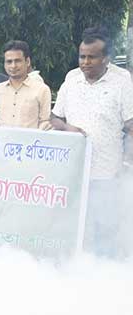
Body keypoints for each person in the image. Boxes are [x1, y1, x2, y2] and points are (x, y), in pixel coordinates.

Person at [51, 26, 133, 258]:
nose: (85, 62)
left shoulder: (122, 81)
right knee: (73, 225)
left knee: (103, 228)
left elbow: (131, 125)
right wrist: (69, 128)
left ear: (106, 59)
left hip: (107, 172)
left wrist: (128, 164)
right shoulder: (72, 78)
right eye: (82, 56)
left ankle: (103, 274)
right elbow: (54, 118)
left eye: (91, 57)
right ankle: (74, 270)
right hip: (73, 171)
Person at [0, 41, 52, 130]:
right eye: (9, 62)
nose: (13, 66)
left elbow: (45, 121)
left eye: (17, 61)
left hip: (30, 142)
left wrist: (45, 126)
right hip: (2, 142)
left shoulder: (42, 90)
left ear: (27, 61)